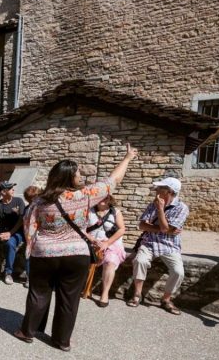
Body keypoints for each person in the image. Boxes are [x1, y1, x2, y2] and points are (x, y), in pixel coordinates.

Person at [17, 145, 138, 349]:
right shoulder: (86, 195)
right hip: (77, 255)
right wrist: (127, 158)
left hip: (45, 253)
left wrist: (32, 249)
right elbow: (113, 180)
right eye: (78, 173)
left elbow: (29, 229)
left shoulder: (39, 202)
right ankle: (61, 341)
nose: (81, 175)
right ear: (70, 178)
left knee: (39, 293)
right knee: (69, 298)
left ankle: (28, 331)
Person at [127, 177, 190, 315]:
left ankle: (166, 299)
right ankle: (137, 294)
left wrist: (160, 210)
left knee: (178, 271)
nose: (156, 190)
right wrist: (164, 229)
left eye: (160, 188)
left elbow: (168, 228)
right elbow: (142, 225)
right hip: (149, 242)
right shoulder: (152, 204)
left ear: (169, 192)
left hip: (170, 245)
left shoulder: (182, 208)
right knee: (139, 261)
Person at [87, 195, 128, 307]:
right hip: (90, 241)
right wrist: (92, 240)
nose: (102, 201)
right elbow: (80, 227)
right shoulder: (88, 210)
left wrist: (106, 243)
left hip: (111, 243)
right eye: (100, 197)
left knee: (110, 262)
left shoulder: (115, 212)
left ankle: (104, 294)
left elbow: (122, 229)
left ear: (109, 199)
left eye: (105, 198)